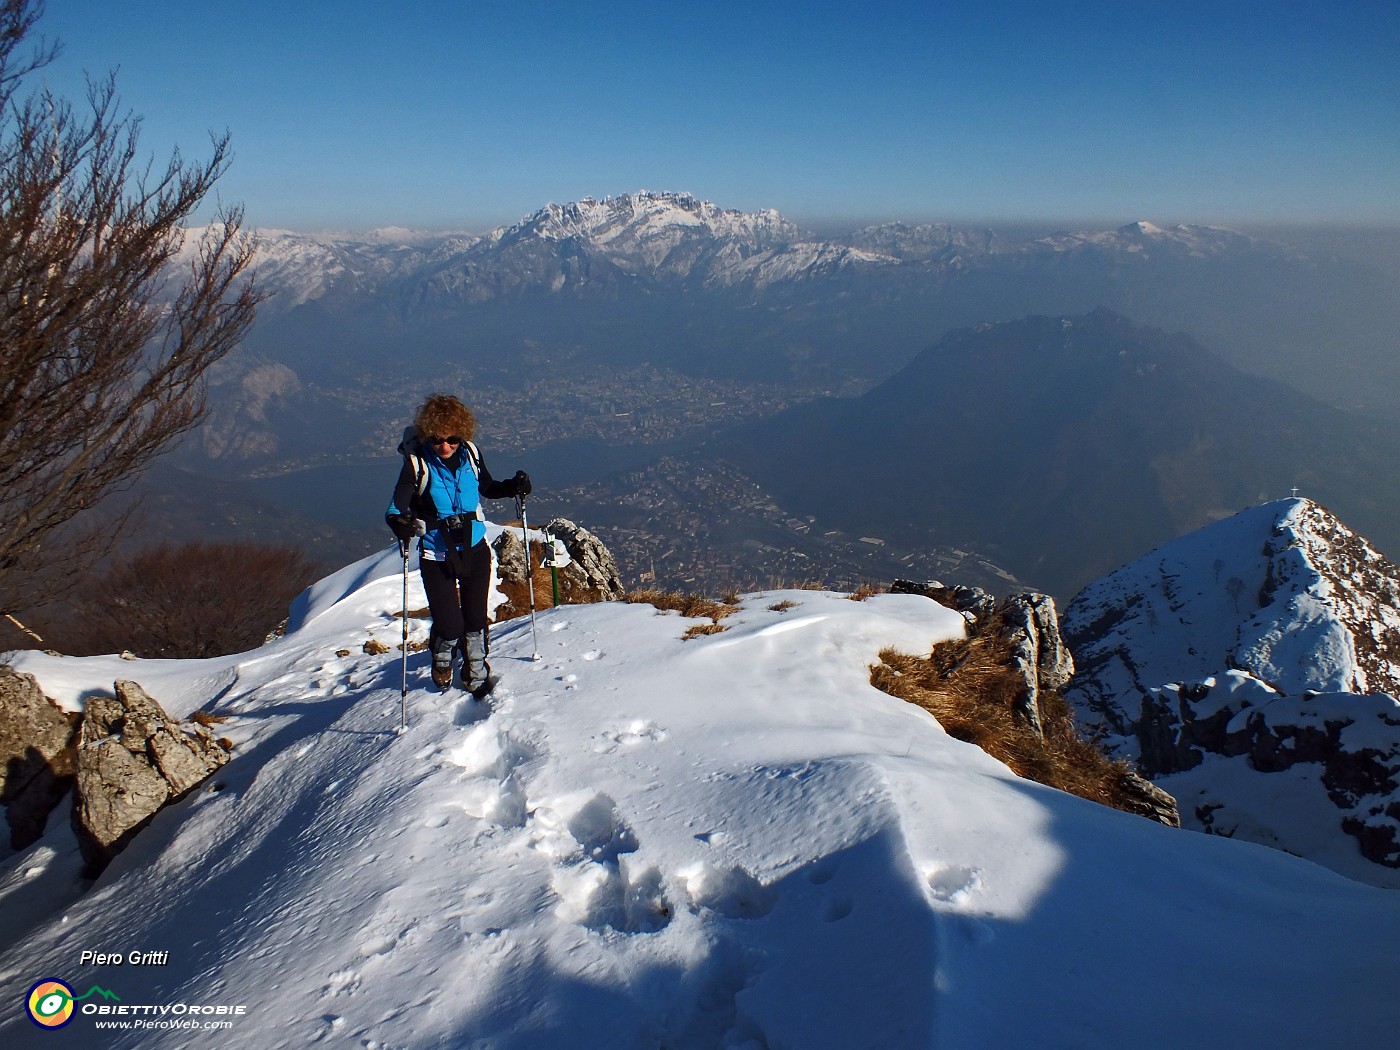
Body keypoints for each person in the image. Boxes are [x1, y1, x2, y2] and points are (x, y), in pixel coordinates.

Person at [385, 394, 531, 696]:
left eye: (452, 439)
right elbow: (396, 506)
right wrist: (400, 523)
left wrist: (513, 487)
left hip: (475, 548)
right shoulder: (417, 465)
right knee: (450, 625)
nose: (445, 446)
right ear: (427, 435)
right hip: (436, 554)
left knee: (476, 621)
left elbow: (487, 488)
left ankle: (475, 673)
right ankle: (442, 656)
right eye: (438, 440)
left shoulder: (471, 455)